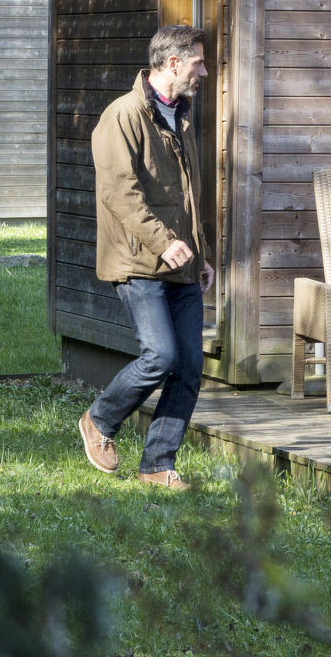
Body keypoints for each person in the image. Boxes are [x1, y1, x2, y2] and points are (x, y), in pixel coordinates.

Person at [76, 24, 214, 490]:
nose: (204, 72)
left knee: (190, 366)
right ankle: (99, 420)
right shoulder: (123, 116)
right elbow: (120, 192)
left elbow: (191, 196)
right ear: (173, 63)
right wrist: (164, 242)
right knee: (160, 356)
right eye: (198, 62)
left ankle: (157, 464)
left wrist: (203, 253)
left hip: (182, 261)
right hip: (139, 260)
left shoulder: (184, 115)